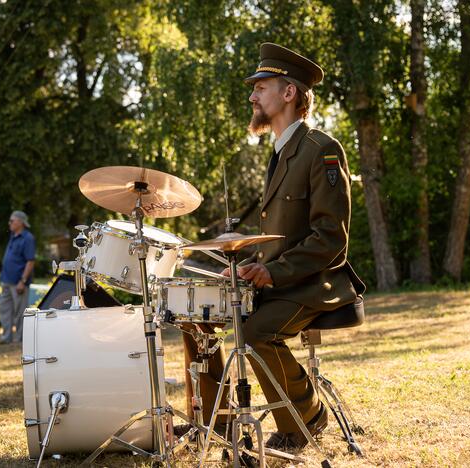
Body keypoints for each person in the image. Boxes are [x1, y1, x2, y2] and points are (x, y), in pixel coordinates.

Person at [180, 43, 365, 452]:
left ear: (289, 93)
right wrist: (241, 264)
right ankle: (217, 425)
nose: (252, 96)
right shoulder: (281, 154)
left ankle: (305, 418)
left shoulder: (322, 150)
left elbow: (331, 239)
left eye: (261, 87)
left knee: (257, 331)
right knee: (199, 316)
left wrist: (274, 273)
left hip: (313, 283)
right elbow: (280, 236)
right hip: (281, 280)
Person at [0, 210, 35, 344]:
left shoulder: (27, 238)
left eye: (12, 221)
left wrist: (23, 281)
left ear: (20, 222)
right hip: (6, 280)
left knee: (20, 312)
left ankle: (20, 339)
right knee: (4, 310)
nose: (9, 223)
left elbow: (30, 262)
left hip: (19, 283)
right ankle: (6, 337)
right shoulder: (13, 236)